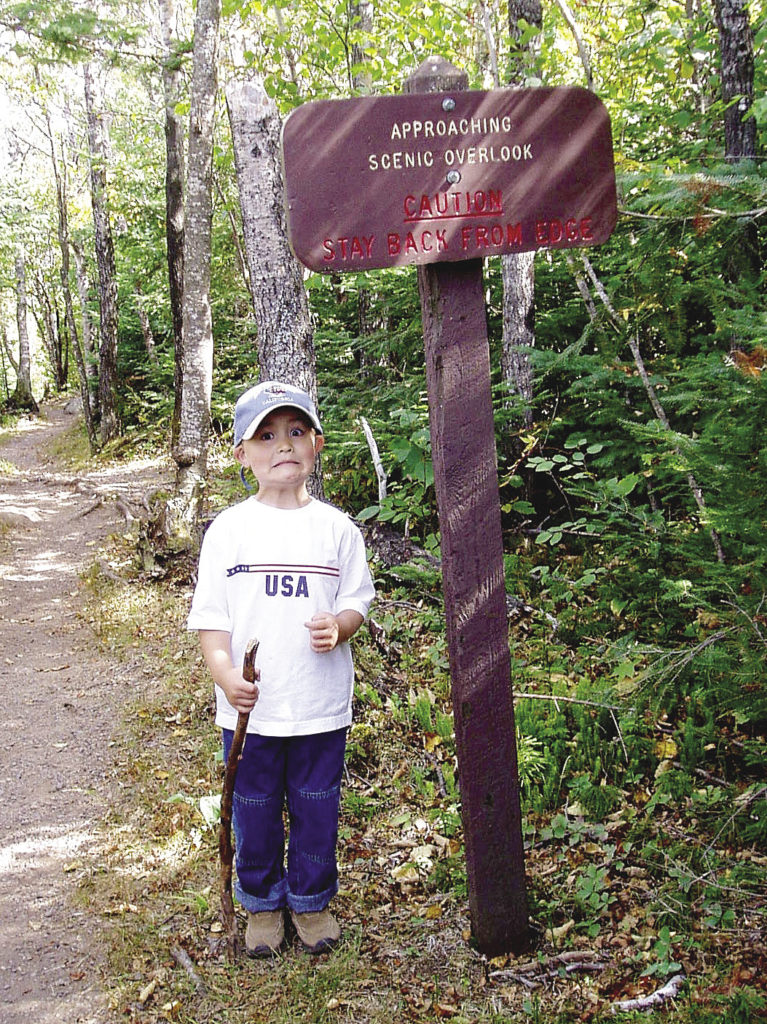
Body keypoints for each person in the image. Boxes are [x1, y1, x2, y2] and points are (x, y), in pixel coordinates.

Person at [187, 380, 375, 957]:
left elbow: (357, 601)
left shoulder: (337, 529)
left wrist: (339, 626)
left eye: (295, 432)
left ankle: (312, 902)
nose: (283, 445)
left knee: (318, 809)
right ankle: (262, 903)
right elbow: (211, 619)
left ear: (316, 444)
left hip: (319, 706)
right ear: (243, 455)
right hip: (251, 714)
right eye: (265, 436)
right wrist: (225, 676)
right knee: (255, 811)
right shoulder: (228, 531)